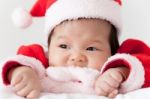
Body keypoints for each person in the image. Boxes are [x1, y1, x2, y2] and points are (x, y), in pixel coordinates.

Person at [1, 0, 150, 99]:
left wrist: (120, 72)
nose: (76, 57)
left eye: (91, 48)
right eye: (64, 46)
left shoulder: (118, 66)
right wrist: (22, 73)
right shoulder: (38, 63)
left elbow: (143, 67)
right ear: (49, 47)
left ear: (112, 51)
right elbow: (16, 62)